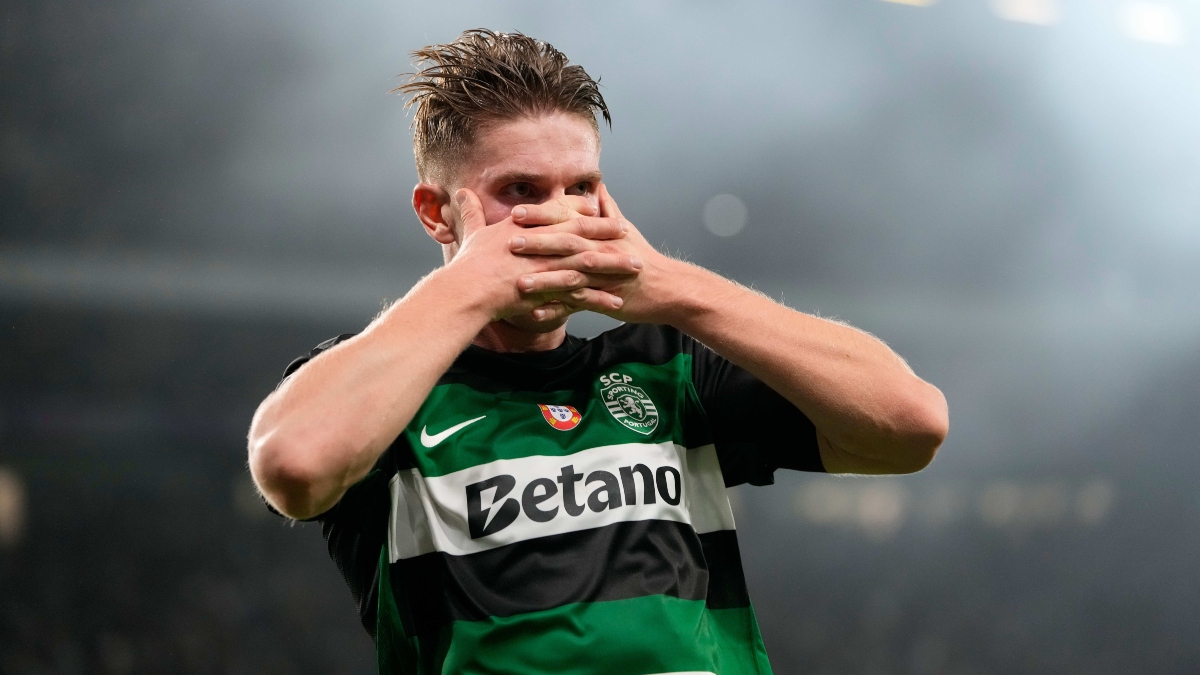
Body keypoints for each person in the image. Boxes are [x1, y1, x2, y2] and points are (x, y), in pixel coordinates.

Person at [248, 28, 948, 675]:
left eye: (580, 188)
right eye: (520, 192)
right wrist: (469, 284)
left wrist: (676, 289)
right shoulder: (387, 388)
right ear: (438, 213)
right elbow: (294, 465)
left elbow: (910, 423)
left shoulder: (670, 367)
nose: (560, 217)